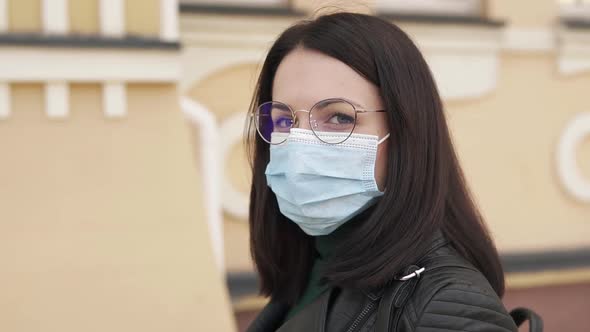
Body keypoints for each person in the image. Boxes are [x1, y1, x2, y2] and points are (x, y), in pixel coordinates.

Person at [244, 11, 519, 332]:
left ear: (406, 133)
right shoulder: (311, 266)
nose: (299, 144)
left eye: (339, 117)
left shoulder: (448, 303)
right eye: (283, 121)